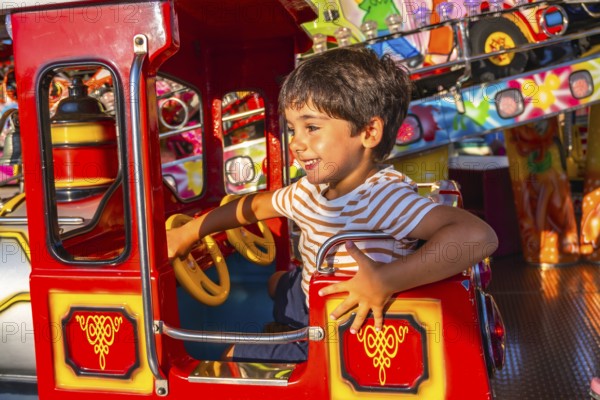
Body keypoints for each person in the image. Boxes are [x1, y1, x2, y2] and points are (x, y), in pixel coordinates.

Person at [167, 46, 498, 363]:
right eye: (293, 129)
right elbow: (253, 206)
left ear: (368, 133)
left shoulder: (382, 198)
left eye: (311, 128)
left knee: (229, 358)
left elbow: (478, 237)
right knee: (274, 282)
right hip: (313, 289)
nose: (296, 143)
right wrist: (190, 232)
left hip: (337, 329)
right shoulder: (312, 191)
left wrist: (387, 280)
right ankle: (288, 314)